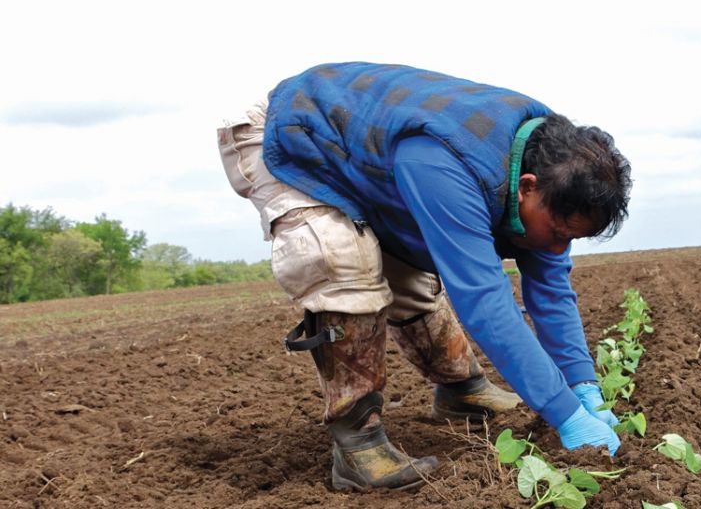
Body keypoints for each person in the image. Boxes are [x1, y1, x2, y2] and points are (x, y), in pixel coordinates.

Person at [217, 62, 632, 491]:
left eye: (573, 239)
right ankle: (358, 444)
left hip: (371, 163)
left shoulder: (553, 168)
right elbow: (485, 304)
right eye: (560, 233)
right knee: (342, 259)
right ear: (527, 187)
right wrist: (564, 414)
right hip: (291, 135)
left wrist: (583, 386)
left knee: (410, 276)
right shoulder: (448, 162)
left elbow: (552, 290)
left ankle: (461, 391)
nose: (559, 248)